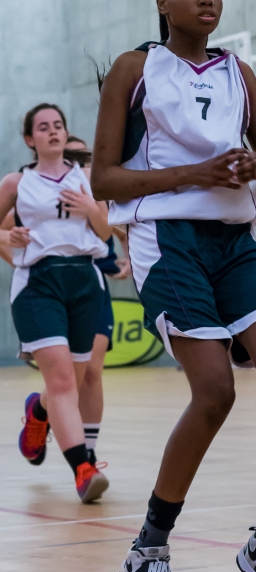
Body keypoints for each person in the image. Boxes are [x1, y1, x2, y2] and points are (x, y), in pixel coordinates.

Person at [92, 0, 256, 572]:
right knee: (215, 390)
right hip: (168, 241)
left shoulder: (239, 72)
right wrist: (196, 175)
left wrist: (255, 169)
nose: (207, 0)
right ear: (164, 2)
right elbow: (103, 180)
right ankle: (147, 552)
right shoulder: (135, 69)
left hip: (234, 243)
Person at [0, 104, 111, 502]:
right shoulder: (16, 182)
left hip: (84, 281)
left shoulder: (87, 178)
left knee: (73, 382)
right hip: (38, 283)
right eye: (43, 127)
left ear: (65, 133)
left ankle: (39, 412)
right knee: (63, 381)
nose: (52, 131)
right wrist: (7, 237)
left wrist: (90, 209)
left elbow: (106, 230)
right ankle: (83, 469)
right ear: (30, 139)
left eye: (58, 125)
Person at [66, 134, 131, 463]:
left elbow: (120, 228)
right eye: (73, 159)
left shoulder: (98, 191)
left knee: (92, 369)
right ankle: (42, 410)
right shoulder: (35, 189)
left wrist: (130, 258)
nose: (81, 165)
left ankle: (88, 453)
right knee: (67, 375)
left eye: (85, 159)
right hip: (48, 287)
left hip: (92, 284)